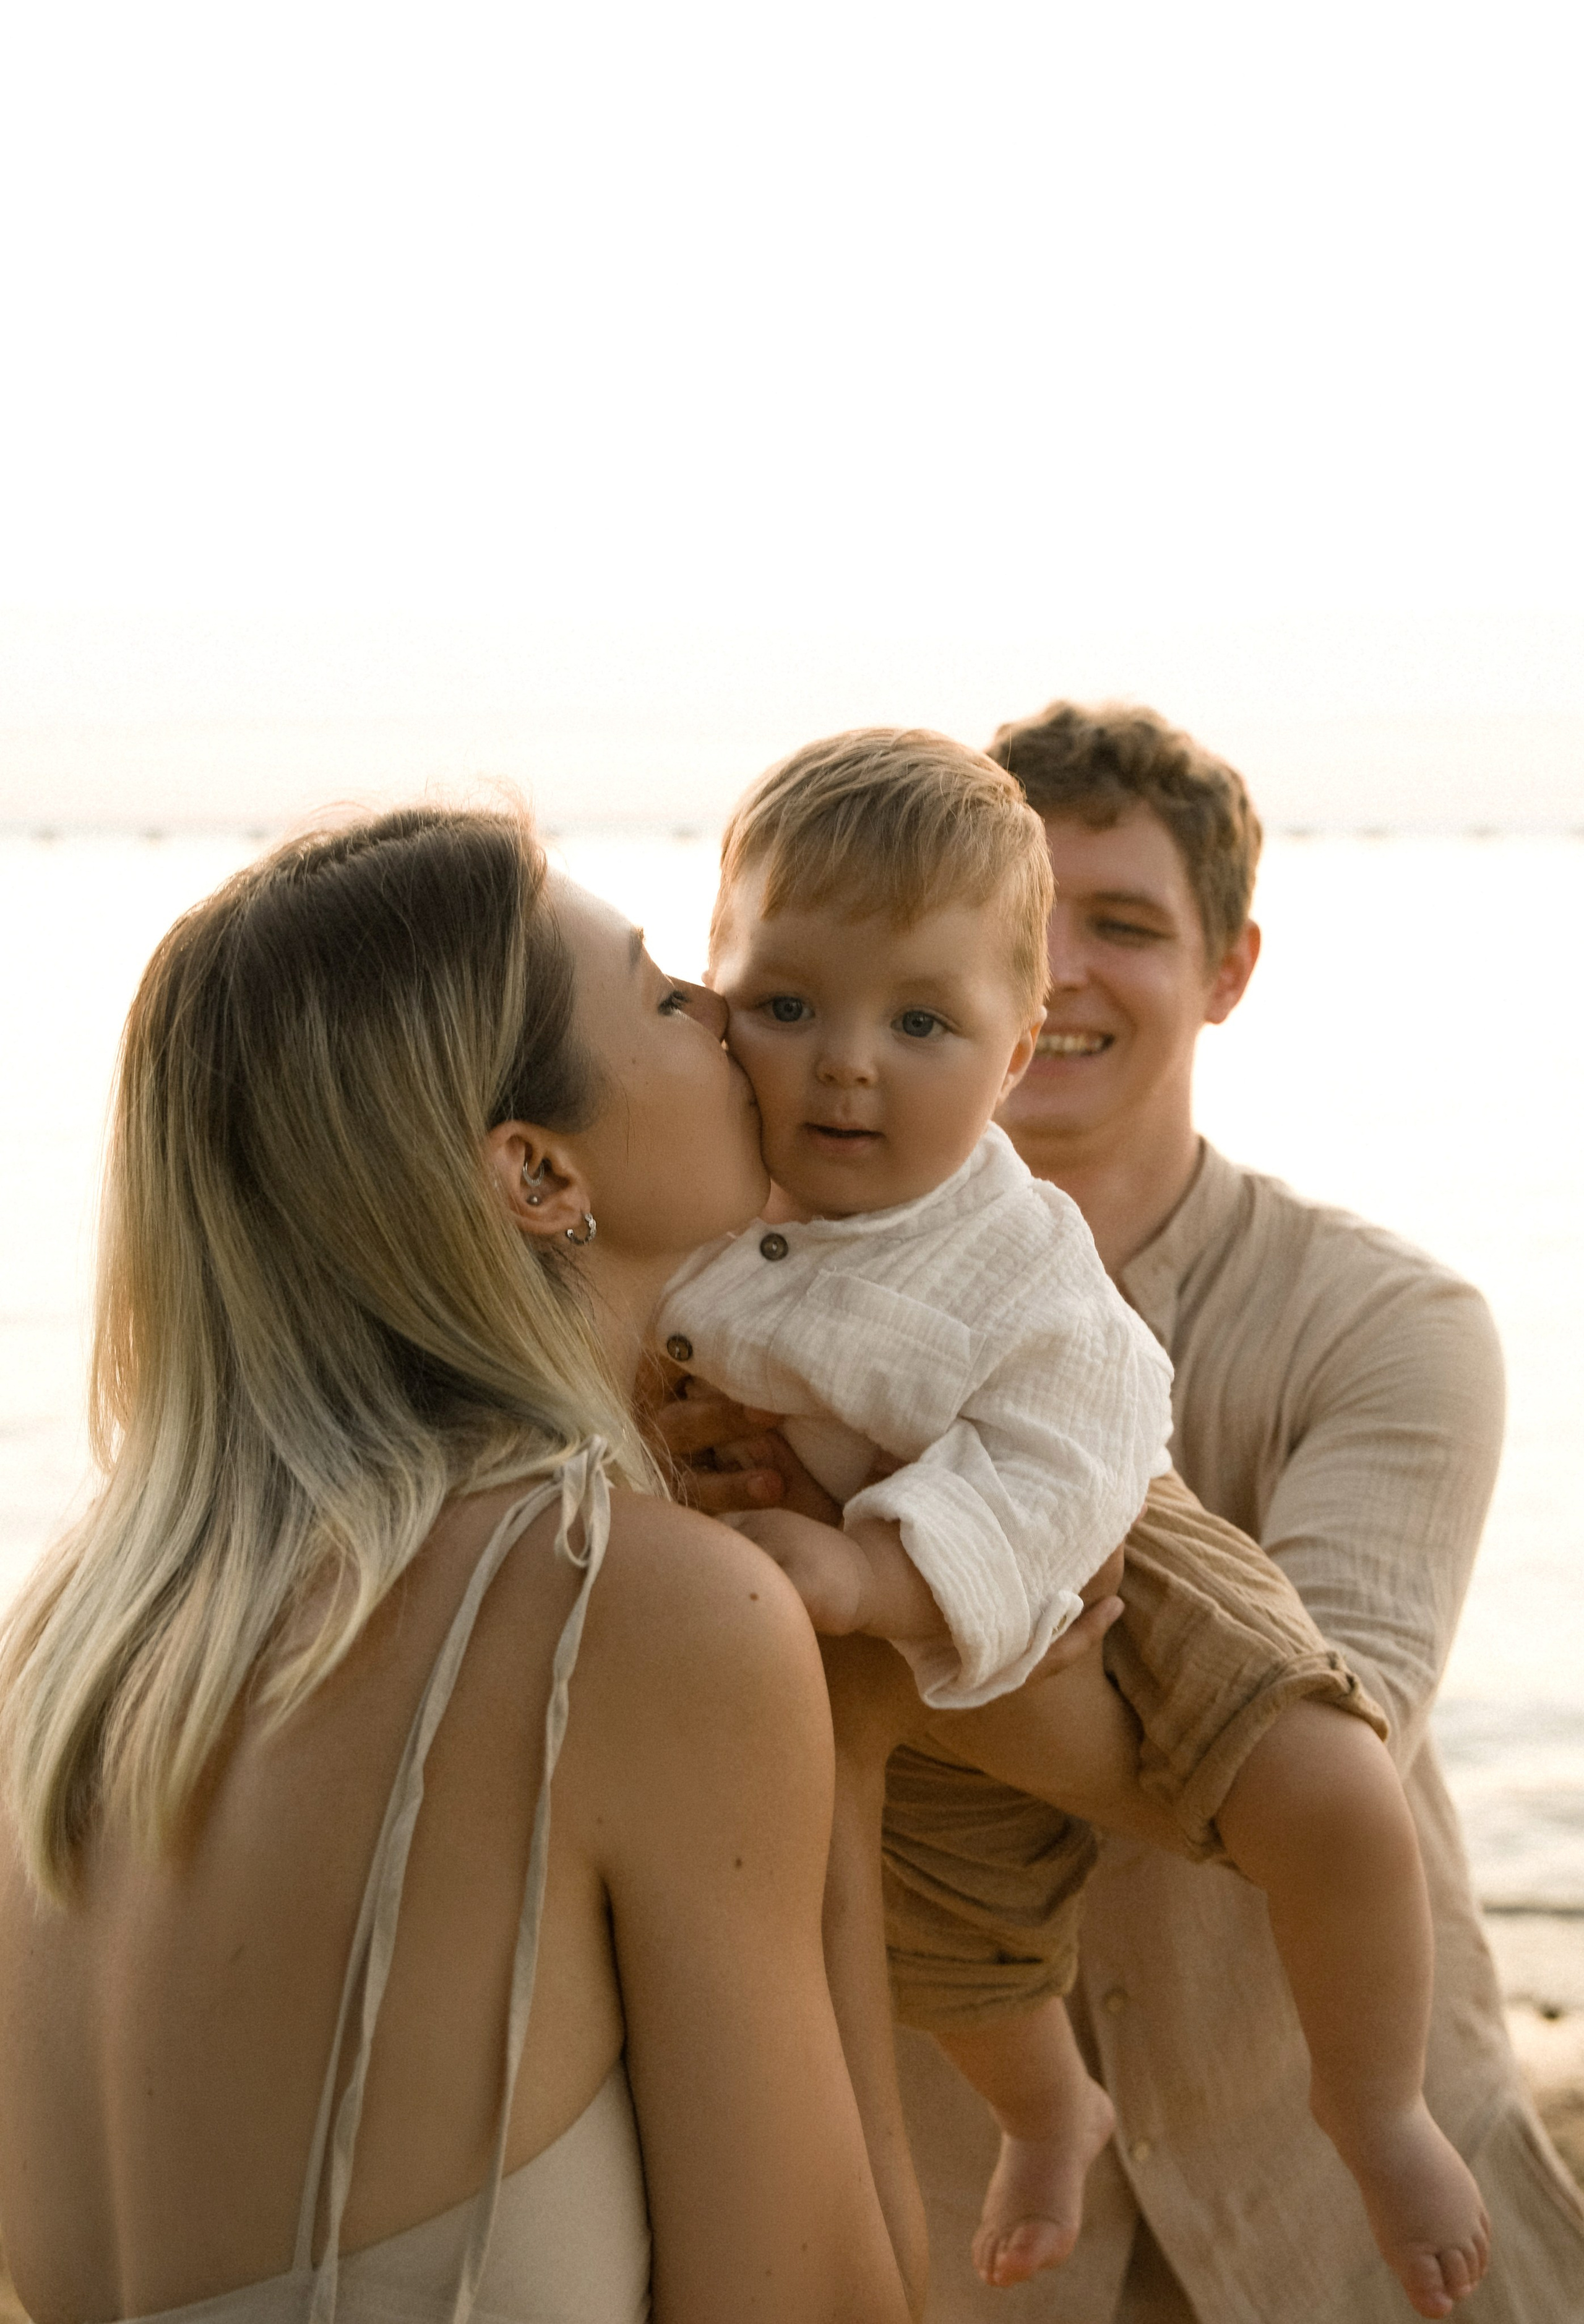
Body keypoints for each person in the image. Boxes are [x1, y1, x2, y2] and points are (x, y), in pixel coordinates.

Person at [0, 807, 920, 2324]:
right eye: (658, 995)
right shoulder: (632, 1616)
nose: (721, 1008)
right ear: (536, 1174)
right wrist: (855, 1762)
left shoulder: (68, 1651)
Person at [652, 731, 1490, 2318]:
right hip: (988, 2220)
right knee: (941, 1944)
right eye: (789, 1005)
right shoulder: (716, 1217)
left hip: (1101, 1570)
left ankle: (1375, 2105)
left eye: (1125, 922)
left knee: (1320, 1770)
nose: (846, 1061)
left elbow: (1088, 1494)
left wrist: (877, 1589)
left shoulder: (1332, 1314)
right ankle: (1048, 2119)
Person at [891, 699, 1584, 2322]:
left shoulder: (1388, 1324)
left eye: (1124, 926)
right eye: (1019, 923)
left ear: (1229, 972)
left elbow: (1339, 1737)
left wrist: (915, 1663)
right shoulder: (768, 1319)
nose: (1057, 974)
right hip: (962, 2232)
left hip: (1355, 2215)